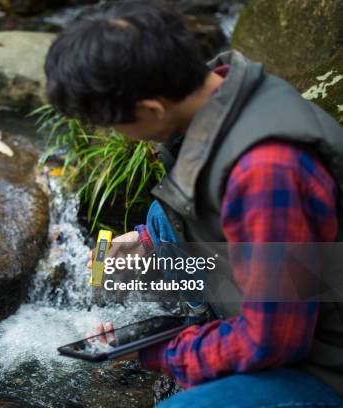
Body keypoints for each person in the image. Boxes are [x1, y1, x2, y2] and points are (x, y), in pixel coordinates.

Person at [45, 1, 343, 406]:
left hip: (321, 366)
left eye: (117, 124)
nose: (123, 137)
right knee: (161, 215)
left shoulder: (266, 170)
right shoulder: (227, 92)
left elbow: (273, 343)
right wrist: (147, 239)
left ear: (151, 108)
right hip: (292, 315)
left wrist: (163, 354)